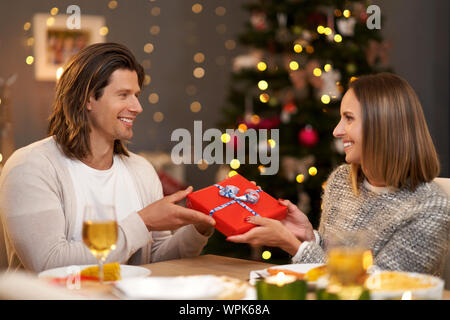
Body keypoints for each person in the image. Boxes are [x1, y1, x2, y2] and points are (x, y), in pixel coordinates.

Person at [0, 42, 216, 272]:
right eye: (123, 95)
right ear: (87, 99)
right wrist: (143, 221)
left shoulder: (141, 170)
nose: (137, 107)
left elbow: (158, 260)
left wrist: (199, 228)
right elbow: (49, 263)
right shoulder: (30, 167)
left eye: (136, 95)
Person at [228, 73, 450, 276]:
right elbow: (337, 258)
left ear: (382, 125)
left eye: (349, 118)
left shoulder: (430, 208)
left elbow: (379, 287)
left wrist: (296, 247)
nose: (337, 131)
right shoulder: (342, 181)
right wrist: (309, 237)